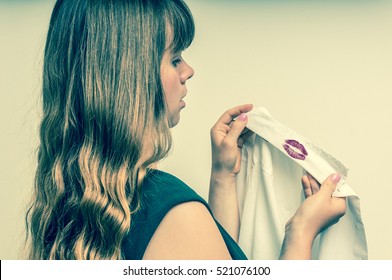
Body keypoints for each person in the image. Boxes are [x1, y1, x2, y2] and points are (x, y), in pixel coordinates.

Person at [25, 0, 346, 260]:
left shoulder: (80, 200)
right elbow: (186, 240)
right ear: (132, 76)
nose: (188, 71)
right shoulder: (168, 209)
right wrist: (301, 233)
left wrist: (223, 175)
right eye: (175, 58)